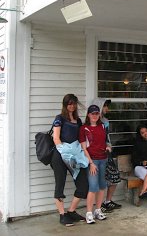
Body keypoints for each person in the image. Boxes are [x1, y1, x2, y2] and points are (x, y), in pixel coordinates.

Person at [51, 94, 88, 227]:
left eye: (74, 103)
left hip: (74, 156)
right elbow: (56, 138)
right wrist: (64, 153)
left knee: (83, 184)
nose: (71, 106)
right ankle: (62, 215)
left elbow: (79, 138)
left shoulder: (78, 120)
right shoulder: (59, 118)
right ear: (65, 104)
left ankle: (71, 211)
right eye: (69, 103)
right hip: (60, 156)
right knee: (59, 184)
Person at [80, 105, 112, 224]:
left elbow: (106, 142)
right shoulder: (84, 128)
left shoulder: (102, 126)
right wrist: (91, 163)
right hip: (92, 161)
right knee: (93, 187)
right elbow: (84, 148)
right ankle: (89, 213)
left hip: (103, 159)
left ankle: (97, 210)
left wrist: (108, 147)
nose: (95, 116)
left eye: (97, 114)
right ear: (88, 115)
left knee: (102, 186)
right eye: (92, 113)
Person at [91, 98, 122, 213]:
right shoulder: (91, 123)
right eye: (105, 106)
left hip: (107, 152)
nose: (107, 109)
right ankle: (99, 205)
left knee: (114, 177)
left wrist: (108, 145)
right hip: (96, 155)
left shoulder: (106, 121)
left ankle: (107, 201)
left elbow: (107, 136)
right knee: (100, 180)